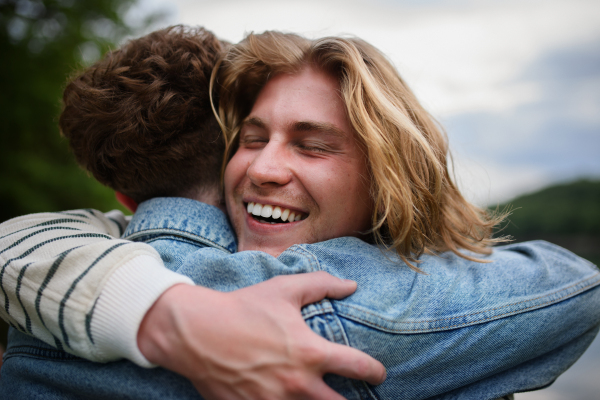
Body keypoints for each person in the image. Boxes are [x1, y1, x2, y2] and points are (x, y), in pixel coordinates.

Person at [1, 27, 599, 399]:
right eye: (253, 138)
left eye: (313, 145)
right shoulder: (345, 310)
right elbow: (575, 284)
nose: (264, 168)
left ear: (387, 179)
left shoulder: (69, 275)